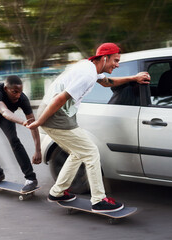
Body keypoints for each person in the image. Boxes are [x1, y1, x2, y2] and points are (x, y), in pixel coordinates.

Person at [27, 43, 150, 213]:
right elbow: (60, 99)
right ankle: (99, 200)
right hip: (56, 116)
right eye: (115, 60)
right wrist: (39, 122)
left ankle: (58, 191)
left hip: (63, 115)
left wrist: (133, 78)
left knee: (79, 153)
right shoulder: (87, 75)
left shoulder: (90, 67)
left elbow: (107, 82)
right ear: (104, 58)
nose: (117, 64)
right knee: (91, 152)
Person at [0, 75, 42, 193]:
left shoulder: (22, 99)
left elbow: (33, 125)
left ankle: (31, 179)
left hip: (5, 117)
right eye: (14, 92)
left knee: (14, 141)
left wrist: (38, 150)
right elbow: (3, 111)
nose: (18, 95)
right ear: (6, 89)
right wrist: (22, 122)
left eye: (20, 91)